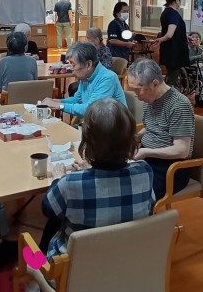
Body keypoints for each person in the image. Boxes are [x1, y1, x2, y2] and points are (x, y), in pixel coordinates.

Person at [40, 99, 155, 259]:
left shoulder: (69, 183)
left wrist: (58, 178)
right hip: (127, 259)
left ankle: (35, 267)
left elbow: (48, 209)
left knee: (29, 247)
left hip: (73, 268)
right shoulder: (144, 171)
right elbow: (151, 204)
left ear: (87, 141)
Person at [127, 59, 195, 200]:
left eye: (137, 90)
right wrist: (136, 137)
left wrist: (145, 152)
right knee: (115, 180)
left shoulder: (179, 104)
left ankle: (147, 214)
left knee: (132, 194)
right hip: (149, 158)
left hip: (171, 167)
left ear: (154, 84)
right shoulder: (149, 99)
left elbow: (182, 150)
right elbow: (151, 127)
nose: (136, 95)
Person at [41, 42, 126, 119]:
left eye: (73, 65)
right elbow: (77, 100)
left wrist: (59, 105)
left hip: (113, 128)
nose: (71, 69)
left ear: (88, 64)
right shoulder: (86, 76)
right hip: (96, 124)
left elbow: (91, 110)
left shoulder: (107, 78)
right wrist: (57, 101)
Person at [151, 0, 190, 87]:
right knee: (173, 81)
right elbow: (169, 34)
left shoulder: (165, 12)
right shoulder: (173, 14)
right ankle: (171, 96)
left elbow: (174, 32)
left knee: (171, 76)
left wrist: (184, 37)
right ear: (176, 0)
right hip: (174, 52)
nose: (180, 2)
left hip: (169, 50)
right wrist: (161, 39)